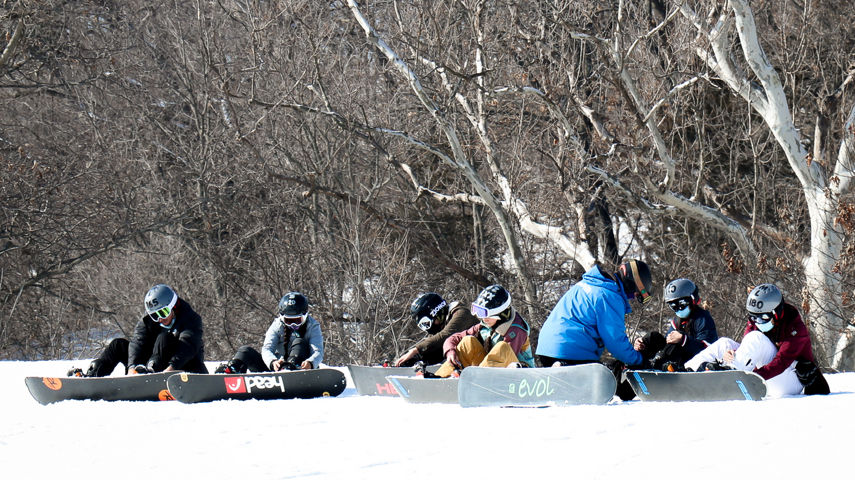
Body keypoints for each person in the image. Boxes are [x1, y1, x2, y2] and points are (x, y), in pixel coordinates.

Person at [534, 259, 654, 400]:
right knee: (606, 386)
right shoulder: (609, 295)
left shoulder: (590, 283)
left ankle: (544, 373)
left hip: (546, 348)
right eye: (635, 293)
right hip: (571, 352)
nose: (632, 298)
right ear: (631, 282)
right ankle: (565, 369)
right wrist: (640, 361)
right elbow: (615, 341)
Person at [685, 283, 829, 397]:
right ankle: (687, 372)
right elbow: (748, 347)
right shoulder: (756, 321)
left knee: (756, 337)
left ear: (777, 312)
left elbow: (781, 362)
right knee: (725, 343)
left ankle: (730, 376)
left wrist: (753, 377)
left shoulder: (795, 327)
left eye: (763, 317)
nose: (757, 321)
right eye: (753, 317)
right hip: (766, 371)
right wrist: (732, 353)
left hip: (789, 379)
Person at [68, 284, 207, 377]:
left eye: (163, 312)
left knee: (164, 338)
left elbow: (188, 346)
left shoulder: (191, 319)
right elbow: (137, 343)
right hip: (151, 366)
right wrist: (132, 367)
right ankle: (92, 377)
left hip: (182, 366)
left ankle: (151, 372)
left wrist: (170, 368)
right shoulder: (147, 322)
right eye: (154, 315)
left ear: (173, 307)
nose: (160, 319)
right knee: (118, 345)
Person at [434, 284, 534, 377]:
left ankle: (477, 381)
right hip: (491, 371)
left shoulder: (517, 330)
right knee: (468, 341)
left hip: (520, 377)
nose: (484, 319)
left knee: (503, 347)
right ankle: (440, 379)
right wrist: (450, 351)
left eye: (487, 315)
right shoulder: (486, 325)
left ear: (501, 313)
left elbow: (502, 359)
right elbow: (455, 338)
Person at [215, 291, 324, 373]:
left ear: (305, 316)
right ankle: (232, 370)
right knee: (245, 351)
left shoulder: (312, 326)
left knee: (299, 341)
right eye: (289, 321)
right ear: (282, 318)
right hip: (276, 367)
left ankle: (291, 369)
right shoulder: (277, 325)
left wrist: (311, 363)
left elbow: (318, 351)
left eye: (297, 320)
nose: (293, 325)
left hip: (301, 367)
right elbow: (267, 348)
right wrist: (272, 362)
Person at [634, 278, 718, 371]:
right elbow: (667, 343)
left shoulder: (702, 318)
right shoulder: (677, 320)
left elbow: (709, 349)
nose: (678, 309)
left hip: (692, 363)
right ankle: (637, 359)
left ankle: (656, 366)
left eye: (681, 304)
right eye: (673, 306)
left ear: (692, 300)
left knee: (676, 343)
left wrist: (683, 340)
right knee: (653, 337)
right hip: (675, 358)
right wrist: (643, 344)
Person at [392, 292, 479, 367]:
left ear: (437, 313)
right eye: (423, 325)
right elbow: (433, 343)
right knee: (429, 352)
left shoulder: (461, 314)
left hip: (479, 359)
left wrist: (416, 350)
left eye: (427, 323)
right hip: (466, 360)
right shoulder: (442, 323)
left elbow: (446, 335)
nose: (428, 328)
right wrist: (416, 357)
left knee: (441, 346)